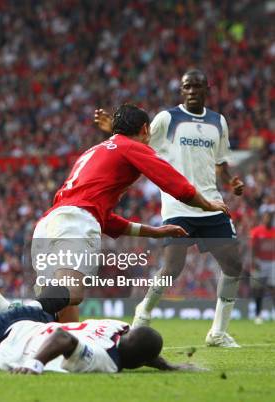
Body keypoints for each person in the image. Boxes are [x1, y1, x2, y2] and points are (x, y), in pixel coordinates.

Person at [30, 103, 229, 323]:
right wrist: (208, 205)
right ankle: (6, 309)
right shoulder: (131, 147)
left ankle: (69, 354)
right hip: (75, 222)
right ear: (145, 129)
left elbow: (106, 220)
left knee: (62, 309)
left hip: (50, 223)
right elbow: (177, 185)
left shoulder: (95, 150)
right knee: (72, 294)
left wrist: (155, 232)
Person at [95, 69, 245, 347]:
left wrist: (230, 181)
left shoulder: (217, 122)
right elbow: (138, 141)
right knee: (173, 267)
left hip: (211, 205)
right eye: (186, 86)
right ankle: (144, 311)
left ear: (206, 89)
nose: (191, 91)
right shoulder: (167, 118)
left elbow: (220, 162)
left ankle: (218, 332)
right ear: (181, 90)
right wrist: (113, 130)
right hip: (178, 204)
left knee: (233, 265)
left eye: (196, 86)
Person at [0, 306, 197, 373]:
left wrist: (167, 366)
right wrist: (36, 364)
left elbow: (140, 345)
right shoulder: (104, 359)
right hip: (1, 339)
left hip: (32, 317)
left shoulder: (118, 327)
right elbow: (63, 337)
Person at [249, 212, 274, 324]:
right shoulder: (257, 231)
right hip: (260, 262)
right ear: (263, 219)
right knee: (259, 289)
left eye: (269, 218)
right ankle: (258, 315)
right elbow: (253, 248)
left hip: (272, 262)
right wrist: (254, 262)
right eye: (266, 217)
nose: (268, 220)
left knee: (273, 288)